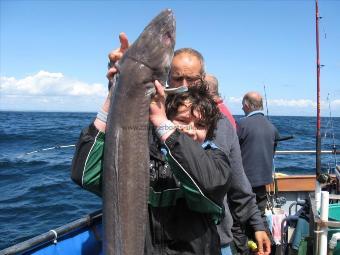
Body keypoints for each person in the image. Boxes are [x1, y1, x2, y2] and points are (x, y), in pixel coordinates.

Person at [75, 33, 271, 255]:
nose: (184, 86)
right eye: (178, 79)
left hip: (213, 234)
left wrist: (256, 223)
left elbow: (235, 180)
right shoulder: (151, 118)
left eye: (192, 79)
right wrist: (120, 86)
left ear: (203, 79)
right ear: (168, 77)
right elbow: (102, 166)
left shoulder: (221, 124)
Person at [72, 81, 232, 254]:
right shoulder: (139, 159)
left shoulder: (216, 161)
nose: (191, 130)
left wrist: (162, 122)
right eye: (182, 120)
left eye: (201, 126)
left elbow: (208, 186)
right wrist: (113, 97)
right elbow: (85, 175)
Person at [234, 91, 280, 254]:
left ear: (246, 105)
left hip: (243, 185)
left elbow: (232, 153)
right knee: (258, 218)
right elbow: (272, 154)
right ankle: (265, 248)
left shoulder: (241, 124)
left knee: (239, 222)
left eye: (242, 104)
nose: (241, 107)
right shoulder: (272, 127)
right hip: (262, 184)